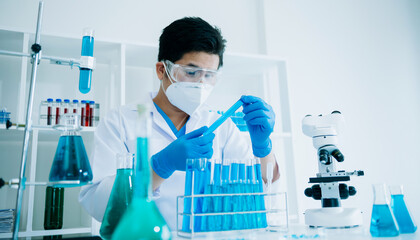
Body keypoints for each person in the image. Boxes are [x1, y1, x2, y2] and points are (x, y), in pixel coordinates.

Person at [79, 17, 280, 230]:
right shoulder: (120, 122)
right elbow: (98, 206)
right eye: (191, 72)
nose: (201, 83)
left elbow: (260, 199)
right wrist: (160, 166)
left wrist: (262, 147)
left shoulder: (222, 126)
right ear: (161, 70)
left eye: (209, 75)